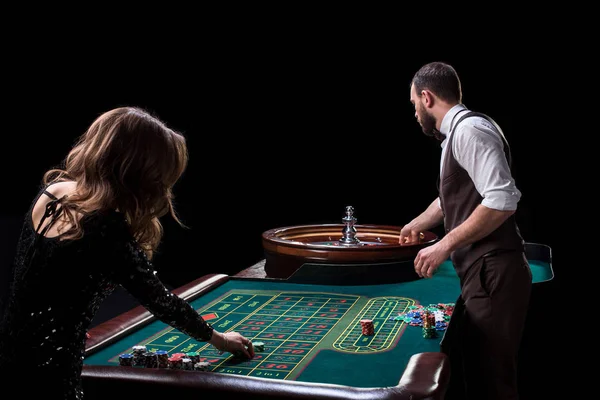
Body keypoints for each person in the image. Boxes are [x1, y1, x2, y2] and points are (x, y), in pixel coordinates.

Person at [0, 107, 254, 399]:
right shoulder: (104, 226)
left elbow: (36, 278)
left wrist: (64, 322)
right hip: (51, 372)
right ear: (141, 171)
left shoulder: (54, 191)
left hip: (11, 351)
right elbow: (160, 300)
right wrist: (220, 340)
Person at [399, 62, 532, 400]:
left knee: (492, 383)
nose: (414, 113)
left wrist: (443, 245)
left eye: (414, 103)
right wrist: (418, 223)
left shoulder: (470, 131)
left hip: (494, 270)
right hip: (483, 271)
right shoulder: (455, 134)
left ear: (426, 97)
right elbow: (451, 197)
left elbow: (502, 200)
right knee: (477, 374)